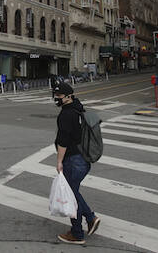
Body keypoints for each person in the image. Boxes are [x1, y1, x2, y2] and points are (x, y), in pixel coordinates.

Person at [52, 81, 100, 245]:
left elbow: (63, 141)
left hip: (73, 160)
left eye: (59, 96)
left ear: (68, 96)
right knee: (74, 193)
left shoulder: (67, 115)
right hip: (83, 159)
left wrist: (59, 162)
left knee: (71, 196)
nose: (56, 98)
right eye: (55, 95)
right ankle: (90, 218)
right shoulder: (78, 109)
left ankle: (77, 233)